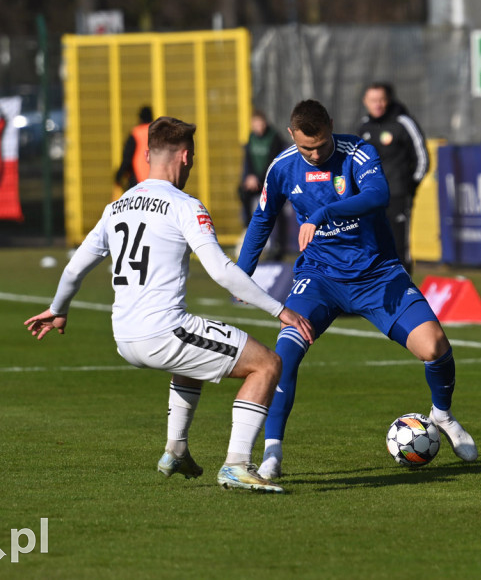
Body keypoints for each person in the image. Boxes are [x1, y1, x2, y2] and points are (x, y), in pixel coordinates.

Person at [24, 116, 315, 494]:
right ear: (185, 156)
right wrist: (281, 310)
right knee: (266, 364)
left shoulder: (117, 207)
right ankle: (237, 465)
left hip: (125, 336)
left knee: (194, 354)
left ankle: (176, 450)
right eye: (191, 156)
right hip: (162, 333)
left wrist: (58, 309)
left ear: (147, 155)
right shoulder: (185, 205)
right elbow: (222, 272)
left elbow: (75, 268)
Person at [237, 99, 476, 480]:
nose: (314, 155)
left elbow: (378, 195)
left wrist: (324, 213)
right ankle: (272, 453)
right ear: (291, 135)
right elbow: (262, 220)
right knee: (283, 357)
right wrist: (242, 275)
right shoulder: (282, 167)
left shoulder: (358, 152)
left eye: (320, 144)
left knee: (435, 347)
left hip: (377, 274)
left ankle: (442, 416)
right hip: (319, 278)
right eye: (305, 148)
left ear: (332, 126)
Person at [357, 82, 430, 275]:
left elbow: (422, 157)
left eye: (381, 100)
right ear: (366, 102)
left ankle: (406, 294)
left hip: (397, 194)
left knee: (398, 247)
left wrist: (410, 185)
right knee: (373, 246)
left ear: (387, 100)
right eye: (373, 100)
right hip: (371, 197)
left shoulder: (403, 123)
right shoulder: (364, 126)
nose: (377, 104)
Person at [238, 110, 287, 260]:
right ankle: (249, 228)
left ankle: (280, 246)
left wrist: (259, 179)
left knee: (277, 211)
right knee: (242, 192)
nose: (258, 127)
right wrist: (250, 177)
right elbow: (249, 161)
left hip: (271, 181)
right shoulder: (251, 138)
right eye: (255, 124)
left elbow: (272, 162)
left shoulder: (274, 138)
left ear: (265, 123)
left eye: (260, 123)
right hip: (256, 181)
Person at [115, 105, 154, 190]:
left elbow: (127, 158)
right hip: (156, 180)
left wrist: (119, 175)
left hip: (137, 179)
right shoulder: (158, 132)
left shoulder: (136, 133)